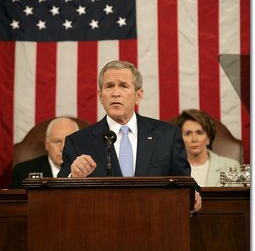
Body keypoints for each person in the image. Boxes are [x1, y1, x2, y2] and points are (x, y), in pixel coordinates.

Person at [58, 60, 201, 213]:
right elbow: (57, 194)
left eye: (123, 86)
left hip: (155, 226)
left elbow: (187, 185)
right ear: (100, 96)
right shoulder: (78, 142)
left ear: (138, 96)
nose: (115, 93)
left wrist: (193, 196)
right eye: (109, 86)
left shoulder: (167, 136)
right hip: (99, 228)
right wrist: (73, 177)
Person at [172, 108, 240, 187]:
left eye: (199, 133)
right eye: (188, 133)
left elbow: (237, 198)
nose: (194, 139)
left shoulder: (230, 167)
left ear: (208, 138)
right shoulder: (171, 169)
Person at [10, 117, 79, 188]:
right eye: (57, 141)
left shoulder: (90, 172)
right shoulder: (23, 172)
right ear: (47, 144)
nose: (62, 148)